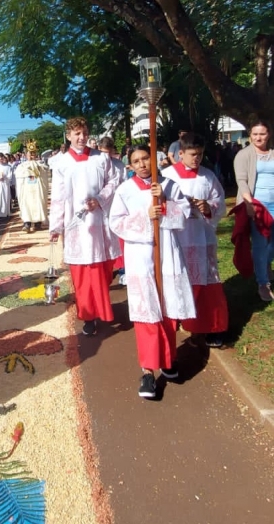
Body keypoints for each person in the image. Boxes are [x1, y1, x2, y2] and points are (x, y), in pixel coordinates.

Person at [110, 145, 196, 398]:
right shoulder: (124, 190)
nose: (141, 164)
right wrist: (146, 216)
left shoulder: (169, 185)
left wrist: (166, 202)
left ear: (154, 159)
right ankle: (148, 371)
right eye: (136, 161)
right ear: (131, 165)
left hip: (167, 253)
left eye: (145, 158)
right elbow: (116, 222)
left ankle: (168, 360)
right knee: (147, 312)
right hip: (140, 255)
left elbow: (185, 214)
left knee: (168, 309)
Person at [49, 116, 121, 336]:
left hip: (99, 222)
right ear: (69, 136)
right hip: (76, 225)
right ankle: (88, 315)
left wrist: (99, 198)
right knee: (81, 273)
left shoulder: (101, 158)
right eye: (77, 134)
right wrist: (56, 226)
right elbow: (59, 197)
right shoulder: (61, 163)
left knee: (101, 271)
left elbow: (113, 181)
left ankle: (103, 309)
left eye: (84, 132)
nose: (82, 137)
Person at [162, 132, 228, 347]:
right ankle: (183, 321)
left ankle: (211, 327)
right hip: (179, 238)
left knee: (208, 282)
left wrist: (209, 207)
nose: (196, 159)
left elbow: (219, 201)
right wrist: (181, 208)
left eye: (199, 154)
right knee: (182, 282)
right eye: (192, 154)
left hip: (202, 236)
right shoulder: (168, 176)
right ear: (180, 153)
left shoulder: (207, 176)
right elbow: (159, 206)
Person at [234, 120, 274, 301]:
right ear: (250, 135)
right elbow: (242, 180)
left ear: (269, 134)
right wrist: (249, 203)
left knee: (271, 244)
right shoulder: (244, 155)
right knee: (260, 244)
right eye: (255, 134)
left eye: (262, 133)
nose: (259, 137)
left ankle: (265, 265)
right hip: (257, 204)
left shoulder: (272, 154)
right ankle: (263, 283)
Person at [98, 137, 127, 285]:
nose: (105, 157)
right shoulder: (95, 165)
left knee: (118, 238)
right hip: (100, 208)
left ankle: (122, 268)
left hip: (116, 204)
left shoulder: (119, 165)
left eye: (108, 154)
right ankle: (105, 271)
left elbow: (123, 184)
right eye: (102, 153)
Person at [15, 144, 50, 232]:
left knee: (38, 203)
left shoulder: (40, 164)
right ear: (26, 155)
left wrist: (38, 169)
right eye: (30, 154)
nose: (31, 156)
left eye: (33, 154)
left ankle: (38, 223)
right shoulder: (22, 166)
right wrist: (27, 170)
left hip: (37, 188)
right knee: (27, 205)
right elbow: (18, 174)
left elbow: (45, 172)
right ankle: (27, 223)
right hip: (27, 189)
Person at [0, 153, 12, 221]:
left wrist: (5, 176)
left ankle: (5, 214)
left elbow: (10, 176)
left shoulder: (7, 167)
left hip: (5, 185)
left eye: (2, 158)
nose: (1, 159)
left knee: (5, 198)